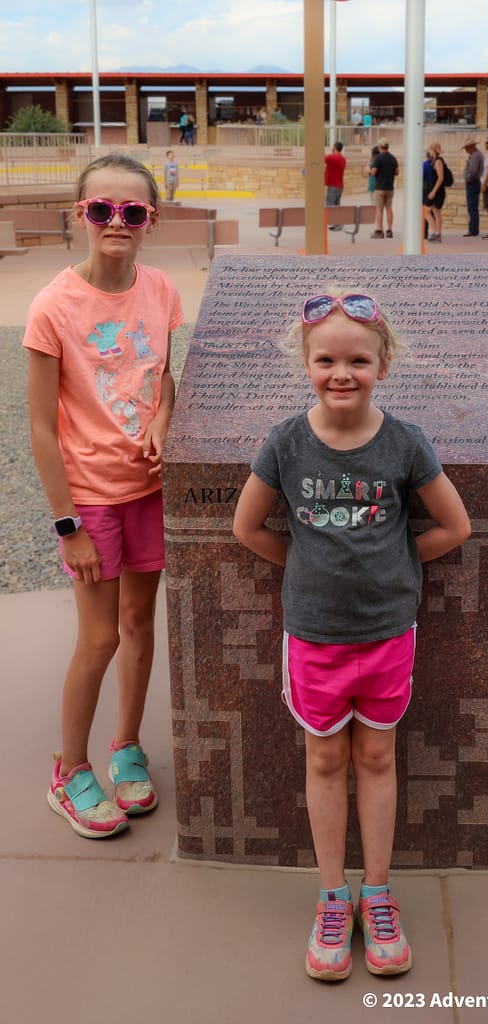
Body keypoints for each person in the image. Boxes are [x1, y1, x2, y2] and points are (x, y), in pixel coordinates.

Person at [232, 288, 471, 982]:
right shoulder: (285, 442)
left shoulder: (403, 443)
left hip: (386, 633)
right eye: (326, 360)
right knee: (325, 762)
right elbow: (246, 528)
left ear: (382, 363)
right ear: (305, 363)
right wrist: (306, 566)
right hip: (313, 637)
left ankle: (377, 891)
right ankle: (331, 897)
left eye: (357, 360)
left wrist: (393, 566)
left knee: (375, 760)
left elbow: (454, 527)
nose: (342, 373)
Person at [23, 153, 184, 839]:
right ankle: (69, 770)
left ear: (151, 219)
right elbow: (37, 426)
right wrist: (69, 526)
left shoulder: (162, 291)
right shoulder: (54, 306)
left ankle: (125, 747)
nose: (116, 222)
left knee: (141, 627)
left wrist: (162, 416)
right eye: (101, 210)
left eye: (132, 211)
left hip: (147, 489)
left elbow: (162, 378)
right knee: (97, 637)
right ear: (79, 216)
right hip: (90, 498)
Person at [369, 137, 399, 239]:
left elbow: (373, 172)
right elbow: (397, 172)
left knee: (379, 209)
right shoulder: (393, 158)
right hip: (390, 188)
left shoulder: (378, 158)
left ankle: (379, 230)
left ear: (380, 147)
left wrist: (369, 171)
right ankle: (389, 230)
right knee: (389, 208)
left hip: (379, 188)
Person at [462, 137, 484, 237]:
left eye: (467, 148)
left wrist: (467, 179)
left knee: (472, 207)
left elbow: (473, 172)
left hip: (473, 183)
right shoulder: (475, 155)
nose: (466, 150)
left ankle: (473, 230)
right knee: (472, 207)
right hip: (474, 183)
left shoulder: (475, 156)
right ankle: (473, 229)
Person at [424, 142, 446, 243]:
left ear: (433, 150)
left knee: (428, 212)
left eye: (430, 149)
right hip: (436, 190)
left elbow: (440, 178)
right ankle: (437, 234)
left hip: (437, 191)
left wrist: (433, 191)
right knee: (436, 212)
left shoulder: (438, 161)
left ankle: (435, 233)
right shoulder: (434, 161)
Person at [324, 141, 346, 230]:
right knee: (337, 205)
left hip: (333, 185)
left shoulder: (333, 157)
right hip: (339, 185)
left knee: (330, 205)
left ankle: (337, 223)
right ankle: (338, 224)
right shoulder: (342, 158)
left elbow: (321, 158)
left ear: (334, 148)